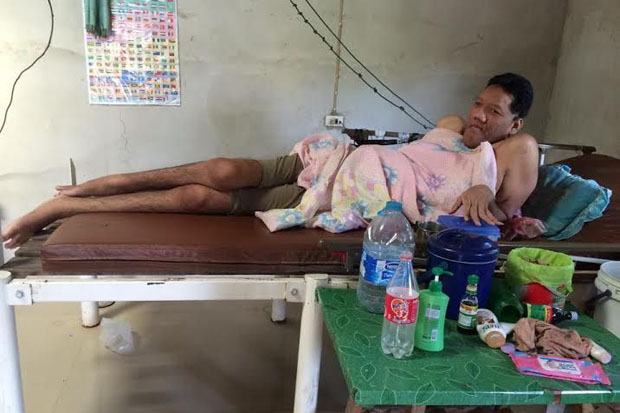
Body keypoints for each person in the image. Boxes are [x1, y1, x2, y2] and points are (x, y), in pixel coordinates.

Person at [1, 73, 539, 249]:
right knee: (220, 169)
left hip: (333, 199)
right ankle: (81, 192)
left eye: (493, 114)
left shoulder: (501, 157)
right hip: (336, 159)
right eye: (478, 103)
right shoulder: (449, 129)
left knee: (198, 197)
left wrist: (487, 189)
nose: (477, 116)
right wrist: (476, 150)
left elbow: (508, 192)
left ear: (514, 125)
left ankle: (55, 214)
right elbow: (436, 144)